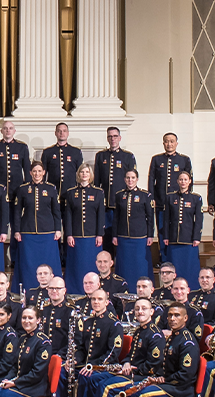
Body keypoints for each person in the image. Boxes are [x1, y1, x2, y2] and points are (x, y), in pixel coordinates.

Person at [120, 301, 199, 397]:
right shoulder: (173, 336)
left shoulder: (187, 341)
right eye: (170, 315)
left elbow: (186, 375)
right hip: (171, 383)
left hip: (181, 389)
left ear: (185, 318)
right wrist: (157, 377)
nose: (172, 319)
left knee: (142, 396)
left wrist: (163, 379)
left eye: (177, 315)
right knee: (134, 391)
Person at [72, 289, 137, 397]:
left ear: (107, 302)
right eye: (93, 299)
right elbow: (81, 348)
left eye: (99, 299)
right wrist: (75, 359)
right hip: (88, 366)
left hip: (107, 367)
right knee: (76, 373)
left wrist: (94, 366)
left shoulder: (114, 323)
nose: (96, 302)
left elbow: (113, 352)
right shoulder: (88, 322)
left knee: (90, 377)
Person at [13, 163, 62, 293]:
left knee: (49, 262)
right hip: (27, 232)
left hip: (48, 232)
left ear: (44, 172)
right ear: (30, 173)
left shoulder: (51, 188)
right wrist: (17, 231)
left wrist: (58, 229)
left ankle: (53, 289)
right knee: (28, 265)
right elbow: (17, 212)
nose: (37, 174)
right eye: (34, 171)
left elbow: (56, 211)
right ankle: (28, 291)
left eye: (39, 171)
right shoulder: (23, 189)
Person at [62, 163, 105, 295]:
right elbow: (68, 216)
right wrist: (68, 234)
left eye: (87, 172)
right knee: (76, 266)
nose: (84, 174)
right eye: (82, 172)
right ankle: (75, 291)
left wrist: (100, 234)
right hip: (76, 237)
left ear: (91, 175)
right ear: (78, 175)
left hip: (92, 238)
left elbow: (100, 215)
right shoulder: (70, 193)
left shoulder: (98, 192)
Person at [94, 126, 136, 254]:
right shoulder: (101, 156)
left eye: (115, 136)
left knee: (120, 231)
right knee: (106, 232)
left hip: (121, 202)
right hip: (106, 203)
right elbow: (97, 180)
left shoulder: (128, 156)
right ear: (107, 138)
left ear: (120, 138)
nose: (113, 139)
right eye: (110, 136)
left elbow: (131, 178)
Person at [160, 171, 203, 285]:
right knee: (175, 266)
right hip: (174, 239)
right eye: (181, 179)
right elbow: (166, 219)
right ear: (177, 181)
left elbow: (198, 220)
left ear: (189, 181)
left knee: (189, 267)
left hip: (189, 239)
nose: (183, 182)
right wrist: (166, 236)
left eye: (185, 179)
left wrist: (197, 237)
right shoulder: (170, 197)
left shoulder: (196, 198)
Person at [113, 168, 154, 287]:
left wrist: (150, 235)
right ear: (124, 179)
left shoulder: (145, 195)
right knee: (125, 265)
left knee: (139, 264)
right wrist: (115, 235)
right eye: (128, 178)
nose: (130, 180)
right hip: (123, 237)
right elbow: (116, 217)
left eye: (133, 178)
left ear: (137, 179)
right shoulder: (119, 195)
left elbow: (150, 218)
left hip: (140, 237)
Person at [0, 119, 31, 199]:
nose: (8, 130)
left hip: (17, 187)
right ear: (1, 131)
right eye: (5, 128)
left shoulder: (22, 147)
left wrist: (27, 186)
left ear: (14, 131)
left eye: (10, 128)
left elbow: (27, 168)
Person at [40, 122, 83, 193]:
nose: (61, 133)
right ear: (55, 133)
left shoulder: (76, 152)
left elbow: (80, 173)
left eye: (64, 131)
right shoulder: (47, 152)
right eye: (59, 131)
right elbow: (43, 174)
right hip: (52, 190)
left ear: (68, 133)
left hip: (71, 190)